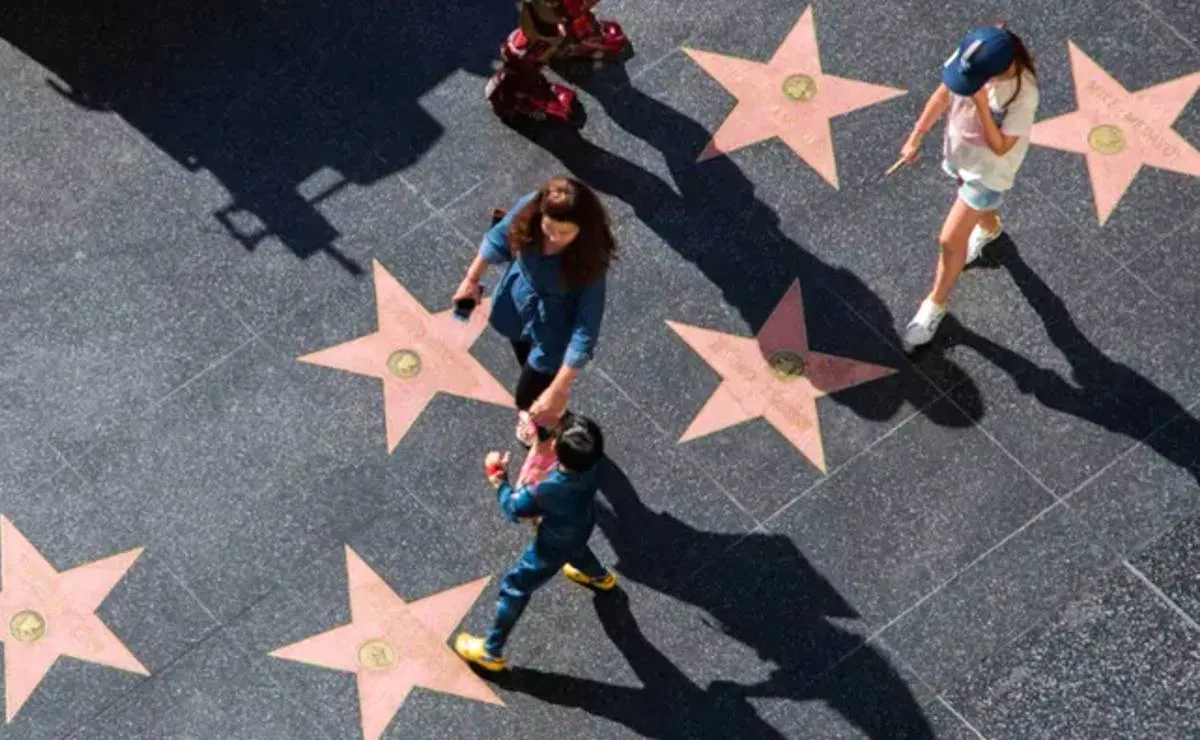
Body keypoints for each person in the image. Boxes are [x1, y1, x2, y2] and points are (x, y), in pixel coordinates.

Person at [897, 23, 1039, 351]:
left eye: (980, 80)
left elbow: (1002, 146)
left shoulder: (1024, 92)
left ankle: (934, 306)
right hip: (960, 155)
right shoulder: (972, 56)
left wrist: (979, 102)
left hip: (988, 172)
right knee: (979, 214)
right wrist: (916, 136)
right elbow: (944, 93)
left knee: (950, 239)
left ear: (1003, 69)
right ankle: (989, 230)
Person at [454, 176, 616, 446]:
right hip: (516, 307)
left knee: (525, 397)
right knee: (522, 352)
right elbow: (498, 239)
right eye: (548, 228)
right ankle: (549, 402)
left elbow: (586, 329)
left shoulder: (591, 264)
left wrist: (560, 387)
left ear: (583, 229)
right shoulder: (531, 206)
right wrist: (471, 280)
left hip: (553, 329)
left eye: (565, 233)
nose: (553, 239)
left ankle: (548, 420)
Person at [455, 413, 617, 671]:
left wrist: (498, 478)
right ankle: (599, 578)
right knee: (577, 550)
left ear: (554, 447)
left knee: (515, 585)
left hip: (552, 543)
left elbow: (513, 508)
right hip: (582, 522)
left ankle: (491, 651)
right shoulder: (593, 466)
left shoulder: (547, 490)